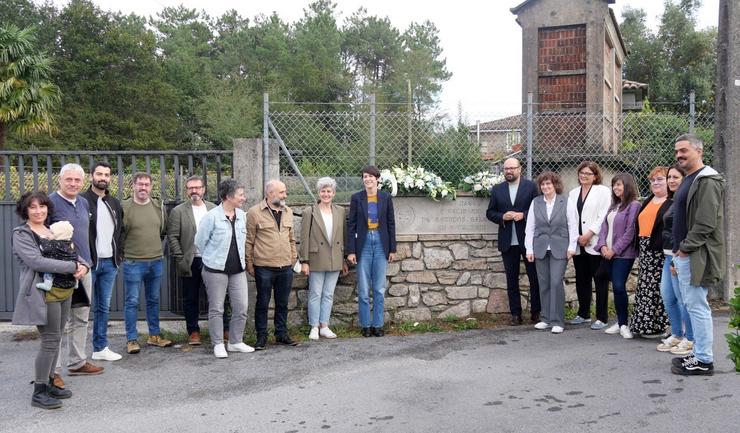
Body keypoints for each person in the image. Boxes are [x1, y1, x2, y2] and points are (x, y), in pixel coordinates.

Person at [12, 192, 88, 409]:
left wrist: (83, 265)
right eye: (33, 207)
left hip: (64, 291)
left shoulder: (51, 229)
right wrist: (72, 267)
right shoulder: (22, 234)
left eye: (42, 207)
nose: (38, 211)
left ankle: (50, 382)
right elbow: (36, 261)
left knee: (56, 338)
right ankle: (39, 391)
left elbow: (70, 251)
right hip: (43, 294)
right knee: (50, 340)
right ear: (25, 210)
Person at [671, 134, 725, 376]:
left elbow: (705, 223)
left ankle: (704, 360)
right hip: (685, 254)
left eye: (684, 150)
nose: (679, 155)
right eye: (677, 152)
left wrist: (684, 249)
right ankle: (700, 352)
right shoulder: (690, 180)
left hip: (695, 255)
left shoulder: (707, 181)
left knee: (697, 306)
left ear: (699, 151)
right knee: (693, 306)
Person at [48, 164, 103, 383]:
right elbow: (45, 238)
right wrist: (73, 263)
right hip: (61, 272)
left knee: (81, 318)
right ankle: (54, 371)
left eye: (77, 180)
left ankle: (77, 362)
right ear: (59, 180)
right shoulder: (49, 203)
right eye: (68, 179)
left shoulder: (83, 202)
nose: (73, 184)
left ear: (83, 182)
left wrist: (86, 264)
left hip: (84, 270)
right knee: (59, 323)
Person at [195, 179, 253, 358]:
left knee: (241, 307)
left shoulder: (242, 216)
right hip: (215, 270)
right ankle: (218, 343)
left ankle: (235, 342)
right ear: (228, 196)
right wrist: (214, 258)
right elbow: (199, 243)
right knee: (217, 308)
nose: (244, 198)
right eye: (240, 195)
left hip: (238, 270)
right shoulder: (211, 217)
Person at [121, 172, 172, 354]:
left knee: (153, 300)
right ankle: (132, 339)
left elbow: (162, 231)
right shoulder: (125, 207)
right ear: (133, 186)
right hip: (133, 262)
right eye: (140, 184)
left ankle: (154, 336)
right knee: (132, 301)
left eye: (147, 184)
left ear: (151, 187)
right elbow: (120, 233)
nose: (143, 188)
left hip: (156, 261)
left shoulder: (158, 206)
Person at [486, 158, 541, 325]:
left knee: (534, 278)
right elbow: (490, 213)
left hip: (528, 241)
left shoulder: (531, 187)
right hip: (507, 242)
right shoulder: (497, 189)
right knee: (511, 279)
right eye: (506, 168)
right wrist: (503, 216)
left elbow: (538, 208)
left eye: (512, 168)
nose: (509, 171)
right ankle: (515, 314)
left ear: (520, 169)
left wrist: (523, 215)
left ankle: (536, 313)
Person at [247, 179, 299, 350]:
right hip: (264, 267)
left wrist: (292, 259)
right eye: (282, 192)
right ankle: (261, 337)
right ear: (270, 194)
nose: (285, 195)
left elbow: (291, 239)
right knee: (262, 303)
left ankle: (281, 334)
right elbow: (249, 241)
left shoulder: (288, 211)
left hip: (285, 267)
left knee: (282, 303)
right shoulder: (254, 212)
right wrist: (250, 264)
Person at [81, 161, 124, 362]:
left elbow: (120, 232)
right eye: (99, 174)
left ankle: (100, 348)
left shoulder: (114, 202)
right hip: (88, 265)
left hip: (110, 264)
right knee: (80, 310)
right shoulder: (81, 201)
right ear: (91, 176)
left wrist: (119, 256)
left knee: (102, 308)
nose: (103, 178)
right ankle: (76, 353)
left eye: (107, 175)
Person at [524, 172, 578, 334]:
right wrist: (529, 248)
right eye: (543, 184)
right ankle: (545, 318)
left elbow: (572, 225)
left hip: (560, 247)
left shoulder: (565, 201)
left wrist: (572, 246)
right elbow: (530, 227)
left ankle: (558, 321)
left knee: (555, 282)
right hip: (540, 247)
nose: (546, 187)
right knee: (544, 284)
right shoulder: (536, 202)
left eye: (549, 184)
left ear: (555, 185)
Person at [167, 175, 217, 346]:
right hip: (189, 261)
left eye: (197, 187)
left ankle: (219, 330)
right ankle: (193, 331)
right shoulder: (178, 211)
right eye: (190, 188)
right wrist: (180, 257)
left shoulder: (213, 209)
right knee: (190, 298)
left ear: (203, 189)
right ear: (187, 190)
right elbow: (172, 236)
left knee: (216, 297)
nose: (194, 191)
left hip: (211, 260)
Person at [347, 165, 397, 338]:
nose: (367, 179)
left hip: (381, 243)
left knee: (379, 288)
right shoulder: (356, 198)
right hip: (364, 243)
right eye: (365, 176)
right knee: (363, 288)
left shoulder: (385, 197)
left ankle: (378, 324)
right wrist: (351, 250)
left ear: (377, 179)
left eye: (371, 176)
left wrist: (392, 248)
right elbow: (351, 224)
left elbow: (391, 223)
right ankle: (365, 325)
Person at [299, 177, 348, 340]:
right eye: (323, 191)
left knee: (328, 294)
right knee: (315, 293)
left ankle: (324, 326)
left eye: (329, 191)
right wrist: (304, 261)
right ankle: (314, 326)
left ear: (334, 193)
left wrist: (344, 259)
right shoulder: (310, 212)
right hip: (316, 258)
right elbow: (304, 237)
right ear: (318, 193)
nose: (326, 194)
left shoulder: (340, 211)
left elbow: (343, 235)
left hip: (335, 257)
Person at [595, 173, 641, 339]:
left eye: (619, 185)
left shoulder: (634, 206)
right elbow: (603, 229)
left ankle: (624, 324)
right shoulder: (613, 206)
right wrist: (602, 246)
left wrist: (614, 250)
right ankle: (620, 321)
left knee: (619, 287)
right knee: (603, 278)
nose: (616, 188)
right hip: (607, 253)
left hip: (623, 255)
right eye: (614, 185)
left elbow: (630, 232)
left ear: (627, 186)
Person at [567, 161, 612, 329]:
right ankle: (583, 314)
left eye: (588, 173)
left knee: (599, 280)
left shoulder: (603, 191)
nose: (584, 175)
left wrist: (589, 233)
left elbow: (603, 215)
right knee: (581, 279)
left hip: (594, 242)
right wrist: (576, 237)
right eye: (581, 172)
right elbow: (571, 217)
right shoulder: (573, 193)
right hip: (578, 242)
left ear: (595, 176)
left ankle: (602, 317)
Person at [657, 164, 694, 355]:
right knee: (668, 297)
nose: (671, 181)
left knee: (682, 299)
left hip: (678, 256)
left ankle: (690, 339)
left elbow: (683, 231)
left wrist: (676, 259)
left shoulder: (685, 201)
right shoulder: (672, 201)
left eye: (675, 177)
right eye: (669, 177)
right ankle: (678, 334)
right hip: (668, 255)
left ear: (684, 179)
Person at [630, 167, 671, 337]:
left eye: (660, 179)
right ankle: (645, 326)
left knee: (659, 289)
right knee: (645, 287)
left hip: (660, 251)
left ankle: (662, 326)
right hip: (646, 249)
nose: (655, 183)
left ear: (669, 181)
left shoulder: (671, 201)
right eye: (653, 180)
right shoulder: (647, 200)